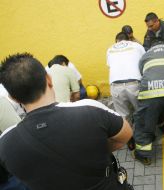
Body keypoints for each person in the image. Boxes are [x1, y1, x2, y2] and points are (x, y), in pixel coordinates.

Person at [0, 53, 133, 190]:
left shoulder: (5, 143)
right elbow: (126, 134)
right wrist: (94, 149)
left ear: (13, 98)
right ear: (49, 80)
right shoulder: (89, 108)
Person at [107, 32, 145, 122]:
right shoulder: (136, 45)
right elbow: (144, 62)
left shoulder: (110, 49)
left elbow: (110, 65)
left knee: (123, 117)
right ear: (128, 39)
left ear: (117, 41)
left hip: (116, 85)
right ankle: (145, 135)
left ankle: (128, 135)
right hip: (134, 83)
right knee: (142, 112)